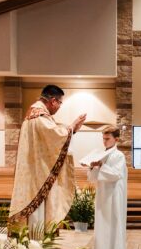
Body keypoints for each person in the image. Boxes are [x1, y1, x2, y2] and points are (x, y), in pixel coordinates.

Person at [10, 84, 86, 228]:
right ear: (53, 101)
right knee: (37, 215)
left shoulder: (35, 114)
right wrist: (72, 127)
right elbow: (55, 136)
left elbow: (51, 136)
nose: (59, 107)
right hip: (38, 174)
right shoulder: (39, 116)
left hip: (34, 169)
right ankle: (37, 240)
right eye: (60, 103)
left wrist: (72, 130)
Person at [84, 126, 127, 249]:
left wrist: (101, 165)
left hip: (114, 195)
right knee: (102, 224)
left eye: (107, 139)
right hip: (103, 194)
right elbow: (93, 178)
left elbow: (116, 174)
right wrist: (92, 167)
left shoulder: (118, 155)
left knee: (114, 223)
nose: (105, 141)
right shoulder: (101, 154)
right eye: (103, 138)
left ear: (116, 139)